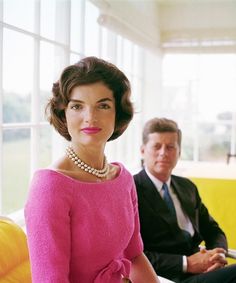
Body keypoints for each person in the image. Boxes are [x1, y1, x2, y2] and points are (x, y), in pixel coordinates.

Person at [24, 57, 161, 283]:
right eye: (77, 106)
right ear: (63, 113)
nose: (90, 117)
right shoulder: (49, 188)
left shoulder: (123, 179)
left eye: (103, 105)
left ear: (118, 113)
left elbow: (135, 256)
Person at [133, 117, 236, 283]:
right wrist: (186, 263)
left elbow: (213, 230)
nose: (163, 153)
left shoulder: (187, 187)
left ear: (179, 152)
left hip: (204, 272)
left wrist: (217, 254)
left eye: (171, 147)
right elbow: (131, 255)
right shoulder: (131, 189)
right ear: (143, 151)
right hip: (168, 277)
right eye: (157, 146)